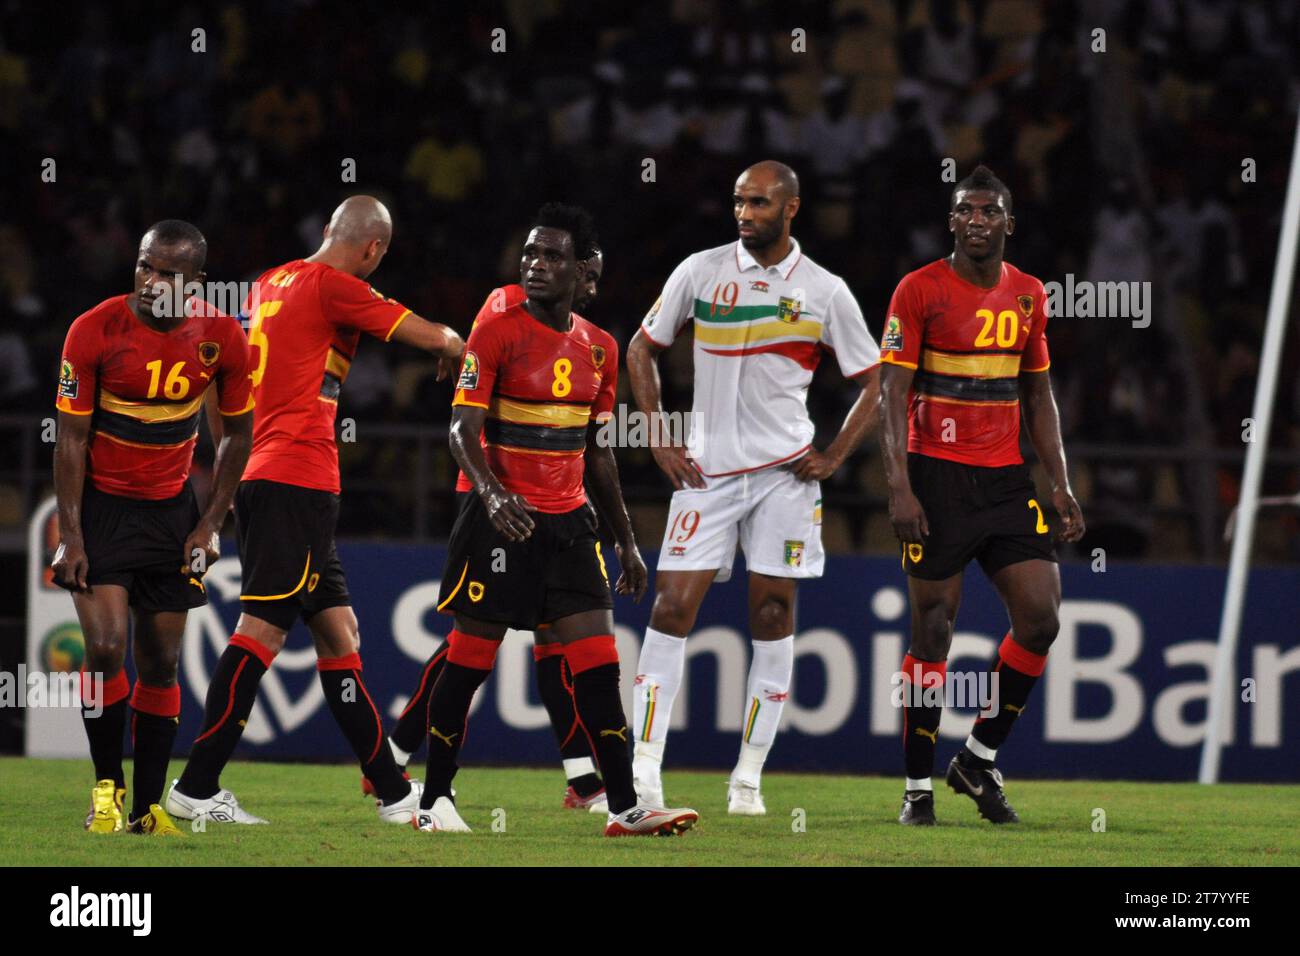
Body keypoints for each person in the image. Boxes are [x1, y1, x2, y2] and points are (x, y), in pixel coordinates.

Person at [164, 196, 464, 825]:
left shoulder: (272, 281)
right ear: (373, 250)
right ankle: (194, 788)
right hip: (295, 479)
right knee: (261, 631)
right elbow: (431, 335)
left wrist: (230, 461)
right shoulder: (338, 286)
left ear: (327, 229)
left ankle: (391, 792)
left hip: (273, 476)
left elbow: (226, 380)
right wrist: (451, 342)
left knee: (338, 632)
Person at [412, 204, 697, 837]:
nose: (536, 266)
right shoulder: (496, 331)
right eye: (530, 255)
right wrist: (490, 494)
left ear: (581, 270)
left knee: (598, 663)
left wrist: (625, 541)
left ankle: (623, 806)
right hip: (501, 525)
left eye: (552, 257)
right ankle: (435, 802)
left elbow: (599, 452)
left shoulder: (599, 348)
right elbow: (461, 429)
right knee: (468, 664)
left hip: (571, 527)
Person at [626, 161, 881, 815]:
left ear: (791, 208)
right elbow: (640, 347)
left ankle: (747, 779)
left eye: (759, 203)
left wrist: (833, 456)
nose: (744, 213)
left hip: (784, 478)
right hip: (706, 473)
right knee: (669, 609)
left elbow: (875, 384)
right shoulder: (701, 270)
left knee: (772, 616)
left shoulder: (825, 291)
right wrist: (657, 436)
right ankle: (645, 775)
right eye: (739, 201)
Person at [879, 166, 1086, 826]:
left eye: (989, 211)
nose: (977, 220)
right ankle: (916, 786)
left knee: (1041, 617)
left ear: (1008, 224)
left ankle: (975, 757)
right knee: (934, 628)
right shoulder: (918, 290)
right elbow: (891, 396)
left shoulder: (1028, 295)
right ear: (952, 222)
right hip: (935, 478)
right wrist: (900, 488)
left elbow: (1038, 394)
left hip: (1004, 481)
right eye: (965, 210)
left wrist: (1060, 482)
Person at [381, 246, 611, 813]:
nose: (593, 289)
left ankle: (583, 778)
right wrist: (489, 491)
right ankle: (399, 754)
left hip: (552, 501)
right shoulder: (506, 308)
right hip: (492, 490)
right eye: (588, 277)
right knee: (476, 641)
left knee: (550, 635)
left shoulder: (591, 342)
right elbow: (472, 397)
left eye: (598, 280)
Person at [52, 220, 254, 835]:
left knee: (163, 663)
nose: (150, 280)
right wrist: (72, 534)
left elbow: (239, 434)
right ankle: (106, 793)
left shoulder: (221, 337)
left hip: (172, 515)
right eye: (144, 265)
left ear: (195, 283)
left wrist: (211, 524)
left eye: (167, 272)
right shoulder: (93, 329)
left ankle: (147, 809)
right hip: (103, 512)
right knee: (107, 648)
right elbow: (70, 437)